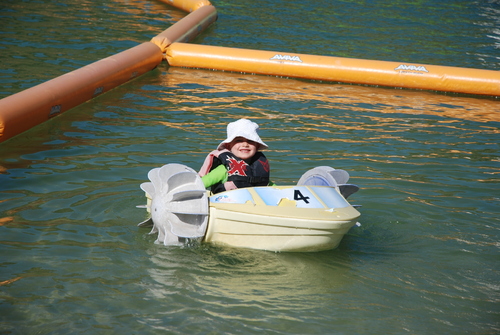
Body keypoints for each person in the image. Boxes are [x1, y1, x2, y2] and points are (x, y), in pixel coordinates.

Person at [198, 119, 274, 194]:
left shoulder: (258, 169)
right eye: (239, 140)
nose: (245, 145)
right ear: (228, 146)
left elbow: (273, 188)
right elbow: (200, 185)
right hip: (226, 203)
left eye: (250, 141)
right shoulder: (223, 170)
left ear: (256, 146)